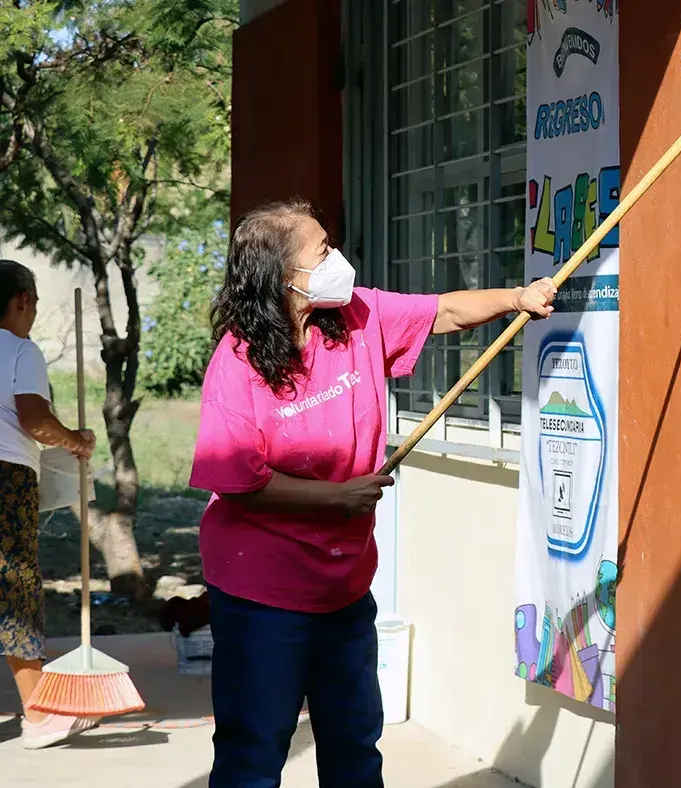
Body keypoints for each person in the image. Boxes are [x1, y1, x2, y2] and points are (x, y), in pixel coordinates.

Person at [188, 199, 557, 786]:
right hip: (261, 593)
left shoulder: (356, 316)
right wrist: (336, 498)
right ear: (285, 277)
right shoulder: (237, 362)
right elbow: (239, 482)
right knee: (253, 752)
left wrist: (517, 299)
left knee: (355, 744)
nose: (338, 258)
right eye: (322, 251)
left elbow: (446, 311)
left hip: (344, 587)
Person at [0, 260, 98, 749]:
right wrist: (75, 441)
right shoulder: (20, 349)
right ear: (21, 301)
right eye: (33, 304)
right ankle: (38, 715)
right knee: (13, 589)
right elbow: (35, 420)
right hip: (5, 477)